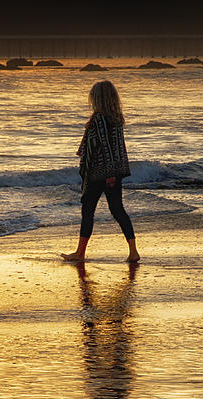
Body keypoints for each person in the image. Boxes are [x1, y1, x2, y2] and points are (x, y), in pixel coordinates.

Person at [61, 80, 139, 263]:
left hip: (100, 172)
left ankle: (80, 253)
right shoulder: (116, 118)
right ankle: (133, 251)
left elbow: (105, 147)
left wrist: (109, 173)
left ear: (98, 98)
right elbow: (116, 147)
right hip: (114, 171)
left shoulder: (99, 119)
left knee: (88, 210)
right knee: (117, 210)